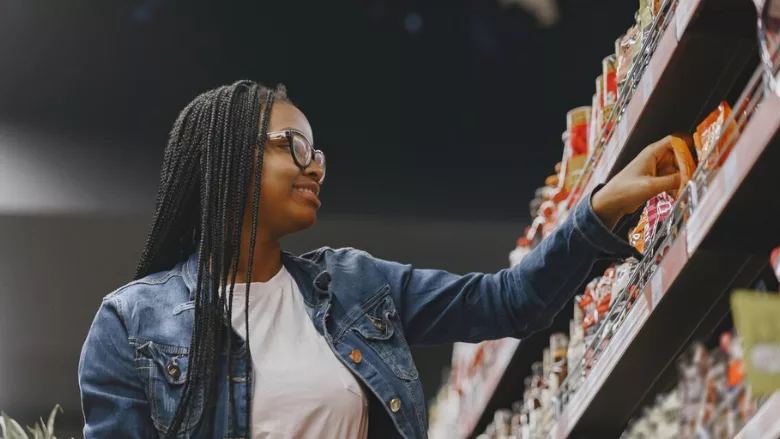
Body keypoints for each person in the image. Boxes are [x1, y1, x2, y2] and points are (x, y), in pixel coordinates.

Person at [78, 80, 681, 439]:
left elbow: (509, 302)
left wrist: (601, 206)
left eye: (319, 152)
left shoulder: (354, 286)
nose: (316, 165)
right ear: (228, 158)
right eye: (297, 146)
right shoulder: (133, 325)